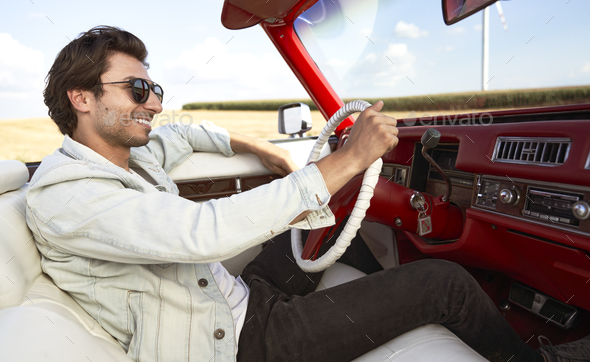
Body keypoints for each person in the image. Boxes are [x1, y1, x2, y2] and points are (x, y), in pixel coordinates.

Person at [26, 26, 588, 362]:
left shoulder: (132, 153)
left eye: (156, 89)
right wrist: (348, 159)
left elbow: (185, 135)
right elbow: (202, 233)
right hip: (233, 342)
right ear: (81, 97)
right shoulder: (66, 194)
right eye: (139, 89)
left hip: (236, 295)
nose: (153, 102)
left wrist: (262, 150)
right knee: (445, 284)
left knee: (341, 229)